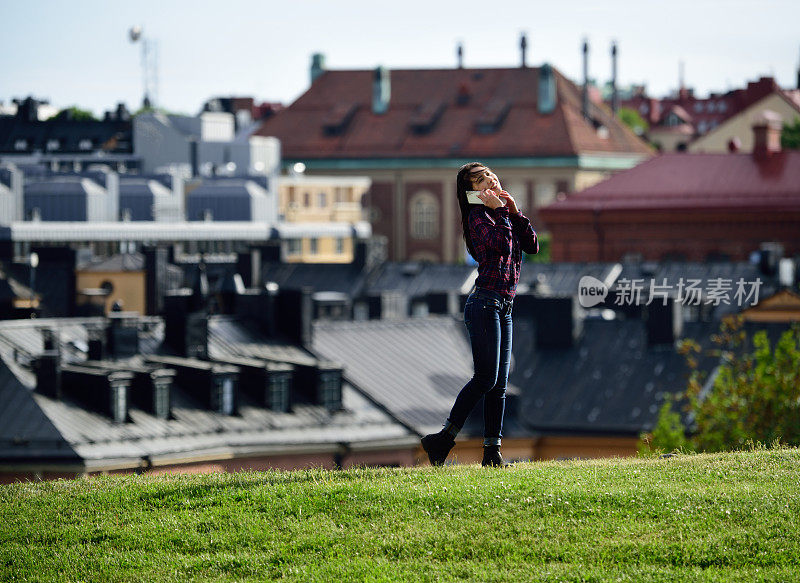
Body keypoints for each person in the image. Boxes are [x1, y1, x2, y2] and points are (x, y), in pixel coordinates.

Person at [421, 162, 539, 467]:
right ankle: (443, 438)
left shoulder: (502, 215)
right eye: (481, 179)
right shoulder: (478, 217)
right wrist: (499, 211)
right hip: (484, 303)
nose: (490, 178)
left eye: (490, 174)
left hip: (505, 306)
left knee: (499, 384)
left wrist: (513, 212)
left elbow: (532, 246)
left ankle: (492, 453)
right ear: (473, 191)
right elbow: (500, 245)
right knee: (485, 378)